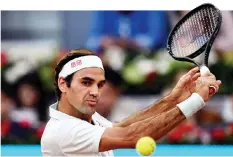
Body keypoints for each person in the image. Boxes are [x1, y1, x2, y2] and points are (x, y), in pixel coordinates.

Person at [41, 49, 221, 156]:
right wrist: (196, 101)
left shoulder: (84, 117)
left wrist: (174, 98)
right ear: (63, 84)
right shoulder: (63, 131)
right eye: (86, 82)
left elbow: (124, 127)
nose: (95, 92)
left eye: (100, 84)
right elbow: (132, 136)